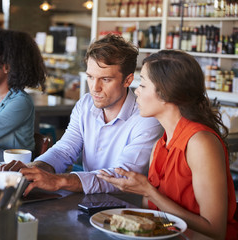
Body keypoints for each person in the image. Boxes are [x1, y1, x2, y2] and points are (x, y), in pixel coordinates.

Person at [97, 50, 238, 239]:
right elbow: (158, 218)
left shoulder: (200, 143)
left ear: (165, 94)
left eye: (144, 85)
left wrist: (148, 191)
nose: (136, 91)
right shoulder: (160, 144)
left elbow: (215, 230)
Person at [1, 34, 163, 194]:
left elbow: (121, 176)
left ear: (128, 80)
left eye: (105, 79)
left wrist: (59, 181)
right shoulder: (86, 104)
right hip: (87, 201)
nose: (95, 88)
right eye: (90, 77)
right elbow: (64, 150)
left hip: (125, 207)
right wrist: (33, 169)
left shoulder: (147, 118)